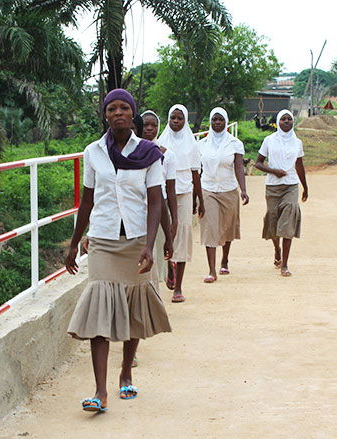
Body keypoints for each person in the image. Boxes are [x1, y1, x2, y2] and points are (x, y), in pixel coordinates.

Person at [65, 89, 171, 413]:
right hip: (102, 239)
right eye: (112, 108)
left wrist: (152, 245)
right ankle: (100, 391)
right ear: (106, 115)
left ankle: (126, 373)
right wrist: (73, 242)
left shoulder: (150, 153)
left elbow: (155, 201)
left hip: (137, 239)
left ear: (133, 114)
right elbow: (87, 200)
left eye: (124, 107)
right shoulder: (93, 152)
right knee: (99, 309)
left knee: (134, 308)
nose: (118, 113)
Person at [157, 104, 204, 303]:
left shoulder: (192, 144)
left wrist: (199, 199)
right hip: (163, 194)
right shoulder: (160, 142)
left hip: (184, 193)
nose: (175, 122)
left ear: (185, 120)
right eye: (172, 118)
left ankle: (178, 287)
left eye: (179, 118)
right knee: (163, 233)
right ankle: (169, 266)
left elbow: (195, 173)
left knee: (183, 235)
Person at [254, 109, 309, 277]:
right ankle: (276, 248)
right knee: (273, 223)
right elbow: (258, 163)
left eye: (289, 119)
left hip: (291, 186)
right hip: (272, 187)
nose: (286, 122)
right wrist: (274, 171)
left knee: (288, 223)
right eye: (283, 119)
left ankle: (285, 264)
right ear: (277, 122)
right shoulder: (269, 140)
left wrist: (305, 186)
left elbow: (299, 165)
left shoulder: (297, 142)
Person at [197, 107, 249, 282]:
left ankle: (224, 260)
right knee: (209, 227)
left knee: (227, 227)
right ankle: (212, 270)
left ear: (226, 122)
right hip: (208, 189)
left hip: (228, 189)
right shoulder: (201, 145)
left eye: (220, 120)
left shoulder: (235, 143)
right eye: (214, 120)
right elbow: (198, 170)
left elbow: (239, 167)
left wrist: (244, 190)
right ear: (210, 122)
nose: (217, 123)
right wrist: (195, 194)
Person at [141, 110, 178, 285]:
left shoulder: (166, 155)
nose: (149, 129)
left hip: (158, 209)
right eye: (145, 125)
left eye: (153, 125)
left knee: (156, 258)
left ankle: (155, 298)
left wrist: (174, 220)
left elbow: (170, 190)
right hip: (137, 209)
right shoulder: (130, 153)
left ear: (158, 127)